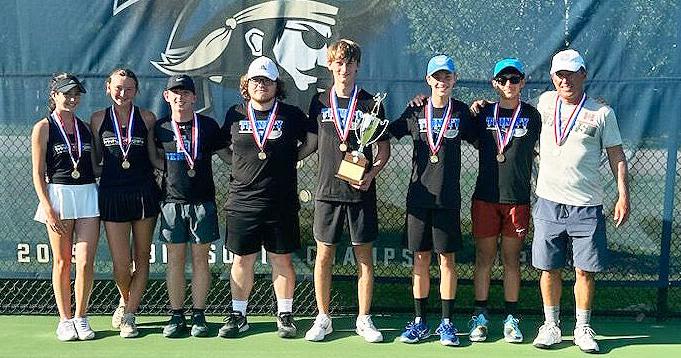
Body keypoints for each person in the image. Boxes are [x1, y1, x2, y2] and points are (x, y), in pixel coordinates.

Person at [530, 49, 629, 353]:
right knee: (549, 269)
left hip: (587, 206)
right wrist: (482, 104)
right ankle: (551, 326)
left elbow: (616, 154)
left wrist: (623, 193)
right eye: (560, 74)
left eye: (572, 73)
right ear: (552, 78)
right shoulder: (544, 103)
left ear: (583, 74)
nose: (566, 79)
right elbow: (509, 106)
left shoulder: (602, 113)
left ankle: (582, 328)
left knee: (585, 271)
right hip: (547, 203)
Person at [218, 57, 315, 339]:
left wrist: (291, 159)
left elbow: (312, 142)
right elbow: (224, 148)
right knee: (241, 261)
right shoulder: (235, 114)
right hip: (242, 202)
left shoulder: (291, 114)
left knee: (281, 261)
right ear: (247, 84)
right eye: (256, 80)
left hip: (280, 202)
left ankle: (284, 315)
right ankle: (239, 315)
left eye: (267, 81)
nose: (261, 85)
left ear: (276, 85)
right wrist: (238, 165)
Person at [304, 39, 390, 343]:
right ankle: (323, 318)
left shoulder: (370, 103)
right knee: (324, 256)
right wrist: (283, 159)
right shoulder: (319, 102)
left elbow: (383, 149)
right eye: (338, 63)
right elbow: (311, 143)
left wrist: (372, 174)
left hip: (359, 192)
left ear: (357, 66)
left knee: (363, 258)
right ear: (330, 65)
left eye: (349, 64)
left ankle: (364, 319)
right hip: (327, 191)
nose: (344, 69)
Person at [388, 55, 474, 346]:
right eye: (437, 77)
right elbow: (389, 131)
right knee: (421, 259)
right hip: (418, 199)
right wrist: (368, 119)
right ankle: (420, 322)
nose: (442, 81)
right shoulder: (415, 111)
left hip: (448, 199)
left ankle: (447, 323)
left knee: (447, 261)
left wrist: (483, 107)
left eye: (447, 76)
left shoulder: (462, 112)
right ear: (428, 80)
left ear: (454, 79)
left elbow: (483, 135)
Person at [467, 59, 541, 344]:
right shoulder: (482, 114)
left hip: (517, 201)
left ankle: (512, 319)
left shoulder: (534, 116)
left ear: (523, 82)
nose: (509, 84)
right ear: (494, 83)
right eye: (503, 79)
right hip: (486, 198)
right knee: (484, 258)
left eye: (514, 79)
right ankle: (481, 316)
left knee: (511, 261)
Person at [90, 68, 162, 338]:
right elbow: (96, 162)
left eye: (129, 88)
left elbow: (155, 158)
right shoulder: (97, 119)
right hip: (111, 194)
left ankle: (130, 314)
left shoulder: (147, 117)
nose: (123, 93)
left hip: (144, 193)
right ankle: (124, 299)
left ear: (137, 91)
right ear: (108, 87)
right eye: (118, 87)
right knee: (121, 264)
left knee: (141, 258)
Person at [154, 74, 227, 338]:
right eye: (175, 92)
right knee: (174, 261)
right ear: (167, 96)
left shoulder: (207, 126)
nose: (180, 97)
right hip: (172, 203)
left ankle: (199, 314)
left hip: (203, 203)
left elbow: (229, 157)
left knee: (200, 261)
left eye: (186, 92)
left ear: (195, 97)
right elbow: (153, 159)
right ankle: (176, 315)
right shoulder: (160, 128)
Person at [31, 73, 100, 341]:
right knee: (62, 262)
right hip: (58, 195)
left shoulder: (84, 127)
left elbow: (95, 165)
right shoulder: (43, 127)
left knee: (84, 262)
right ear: (54, 95)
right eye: (66, 94)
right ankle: (65, 319)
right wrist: (47, 206)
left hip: (87, 195)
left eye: (76, 94)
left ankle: (82, 317)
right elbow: (37, 173)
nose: (72, 99)